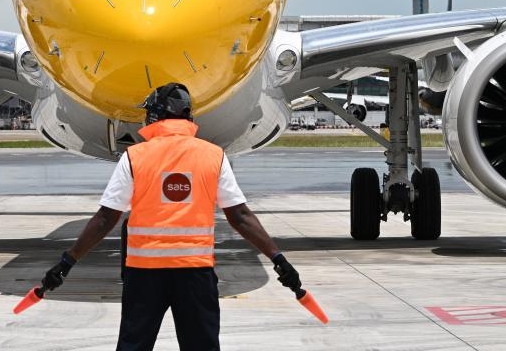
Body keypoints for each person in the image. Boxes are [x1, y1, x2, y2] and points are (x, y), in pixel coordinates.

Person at [37, 82, 306, 351]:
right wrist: (277, 258)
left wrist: (67, 261)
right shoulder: (214, 156)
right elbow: (240, 216)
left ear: (155, 116)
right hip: (195, 274)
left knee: (133, 346)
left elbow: (106, 218)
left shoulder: (134, 156)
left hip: (144, 276)